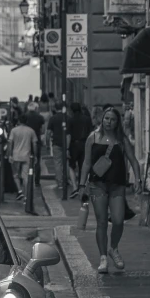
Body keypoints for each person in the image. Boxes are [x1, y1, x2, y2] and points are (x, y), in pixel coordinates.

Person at [79, 107, 142, 274]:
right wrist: (80, 184)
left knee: (118, 220)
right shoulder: (93, 137)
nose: (108, 122)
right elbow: (86, 162)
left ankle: (113, 248)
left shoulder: (122, 140)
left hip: (117, 185)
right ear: (102, 119)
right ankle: (103, 258)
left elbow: (134, 161)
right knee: (101, 221)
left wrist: (138, 179)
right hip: (97, 184)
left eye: (112, 119)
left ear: (117, 122)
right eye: (106, 118)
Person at [8, 114, 38, 201]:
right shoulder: (31, 131)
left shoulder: (14, 130)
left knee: (16, 175)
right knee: (25, 176)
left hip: (15, 155)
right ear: (27, 121)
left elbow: (10, 143)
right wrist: (35, 155)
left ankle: (20, 191)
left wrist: (9, 155)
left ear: (18, 121)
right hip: (26, 156)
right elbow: (35, 144)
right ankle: (26, 196)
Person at [67, 101, 93, 197]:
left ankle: (74, 188)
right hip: (85, 144)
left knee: (71, 166)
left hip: (74, 145)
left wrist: (67, 148)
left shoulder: (70, 120)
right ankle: (83, 188)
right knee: (84, 167)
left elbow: (69, 135)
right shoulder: (87, 119)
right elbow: (91, 133)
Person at [47, 100, 67, 189]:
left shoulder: (53, 118)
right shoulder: (67, 117)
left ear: (55, 108)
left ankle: (60, 183)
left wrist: (47, 143)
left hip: (56, 143)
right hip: (67, 143)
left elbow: (48, 132)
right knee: (66, 162)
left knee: (58, 163)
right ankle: (67, 180)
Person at [25, 101, 45, 186]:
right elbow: (43, 130)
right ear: (36, 108)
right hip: (37, 140)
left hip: (26, 141)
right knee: (37, 160)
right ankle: (37, 181)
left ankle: (26, 179)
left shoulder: (25, 116)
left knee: (26, 160)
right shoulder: (40, 117)